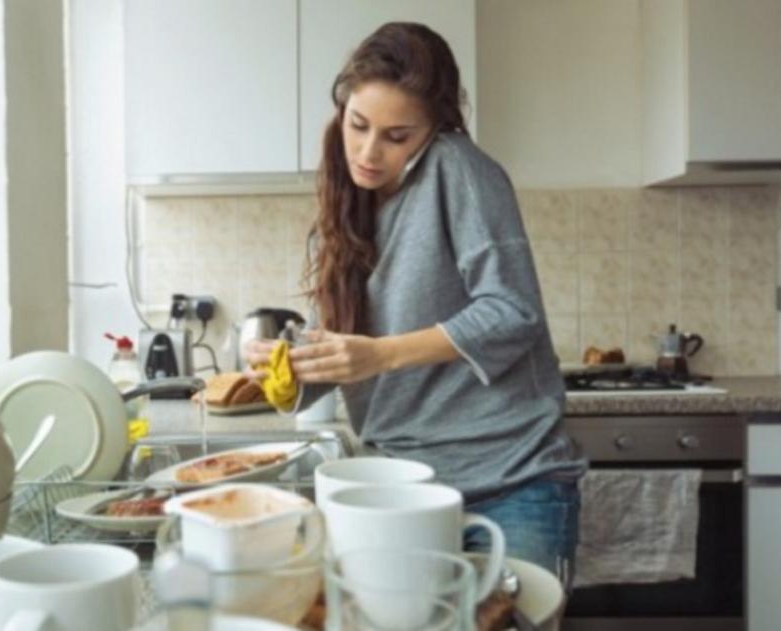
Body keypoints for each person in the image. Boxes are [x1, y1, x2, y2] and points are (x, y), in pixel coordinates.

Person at [246, 22, 586, 585]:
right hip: (400, 488)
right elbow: (352, 346)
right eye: (358, 126)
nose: (369, 151)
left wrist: (379, 355)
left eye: (397, 136)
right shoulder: (341, 211)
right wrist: (291, 369)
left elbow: (511, 310)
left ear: (434, 130)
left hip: (511, 483)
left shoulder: (460, 170)